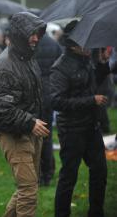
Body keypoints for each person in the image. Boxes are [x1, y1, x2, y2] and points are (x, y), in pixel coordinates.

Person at [0, 12, 49, 217]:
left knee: (27, 189)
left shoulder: (28, 58)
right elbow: (0, 108)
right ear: (19, 34)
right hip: (14, 135)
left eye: (38, 34)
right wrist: (30, 122)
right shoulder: (5, 65)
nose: (36, 38)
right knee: (29, 191)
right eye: (32, 34)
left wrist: (33, 124)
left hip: (31, 132)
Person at [51, 21, 109, 217]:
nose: (89, 47)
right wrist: (90, 100)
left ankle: (96, 212)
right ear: (74, 44)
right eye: (86, 42)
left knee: (100, 172)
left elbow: (92, 83)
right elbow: (57, 101)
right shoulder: (60, 67)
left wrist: (102, 64)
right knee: (69, 177)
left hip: (91, 126)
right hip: (72, 130)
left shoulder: (87, 60)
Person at [34, 33, 62, 186]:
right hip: (49, 91)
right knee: (47, 134)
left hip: (35, 91)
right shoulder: (53, 43)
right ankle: (48, 172)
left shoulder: (30, 43)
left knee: (34, 135)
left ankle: (38, 174)